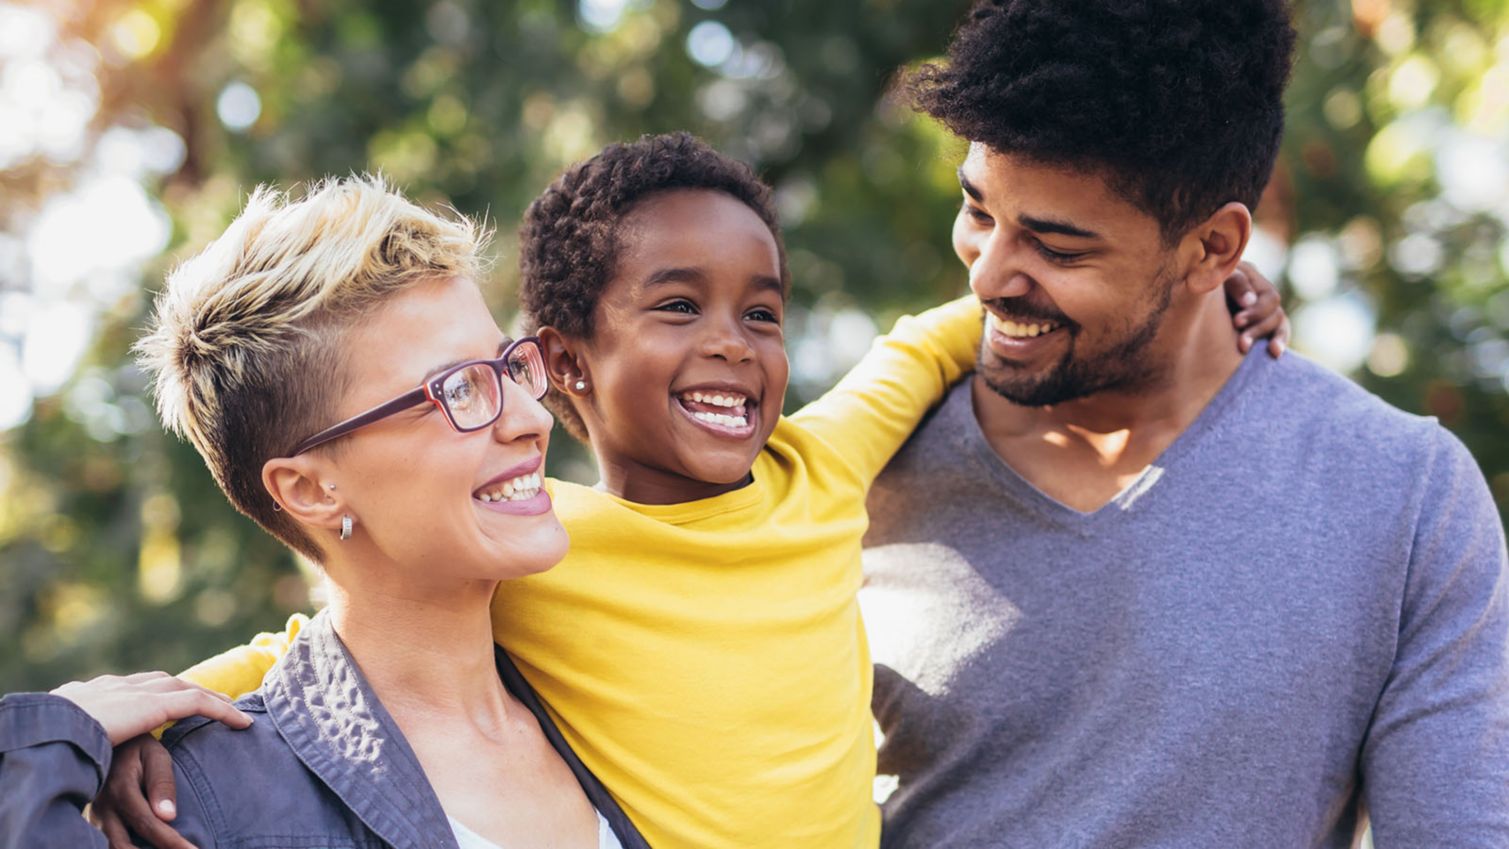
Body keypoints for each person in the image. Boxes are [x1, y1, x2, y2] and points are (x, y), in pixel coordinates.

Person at [95, 135, 1286, 849]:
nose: (732, 344)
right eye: (679, 307)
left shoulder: (813, 468)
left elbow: (942, 334)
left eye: (761, 314)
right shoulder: (556, 557)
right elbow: (311, 650)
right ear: (570, 361)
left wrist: (1194, 289)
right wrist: (113, 722)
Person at [859, 2, 1509, 847]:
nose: (986, 277)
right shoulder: (864, 460)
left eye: (1056, 248)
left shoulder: (1403, 496)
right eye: (979, 211)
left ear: (1212, 250)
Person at [0, 176, 648, 849]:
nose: (530, 418)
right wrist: (43, 746)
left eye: (510, 367)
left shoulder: (609, 700)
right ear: (311, 489)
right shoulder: (206, 804)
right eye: (458, 388)